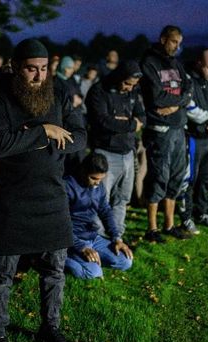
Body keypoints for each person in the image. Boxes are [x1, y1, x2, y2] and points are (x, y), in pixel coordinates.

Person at [0, 38, 86, 342]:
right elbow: (0, 144)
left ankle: (49, 327)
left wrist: (39, 137)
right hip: (12, 198)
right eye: (31, 69)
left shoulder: (60, 94)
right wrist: (44, 133)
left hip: (52, 195)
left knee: (54, 269)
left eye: (43, 69)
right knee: (2, 274)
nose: (39, 76)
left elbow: (80, 137)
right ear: (16, 67)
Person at [139, 25, 193, 242]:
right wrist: (179, 101)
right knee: (158, 176)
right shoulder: (149, 62)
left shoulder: (176, 64)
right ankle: (152, 229)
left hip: (178, 127)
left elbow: (189, 91)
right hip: (159, 130)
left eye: (179, 43)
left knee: (176, 176)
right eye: (173, 42)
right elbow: (156, 97)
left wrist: (177, 105)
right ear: (162, 39)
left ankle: (169, 225)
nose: (176, 47)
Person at [85, 60, 144, 238]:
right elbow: (103, 121)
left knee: (122, 199)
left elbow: (142, 116)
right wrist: (131, 124)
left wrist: (123, 122)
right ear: (119, 76)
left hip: (127, 152)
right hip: (105, 152)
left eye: (133, 85)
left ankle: (116, 236)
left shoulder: (132, 91)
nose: (129, 88)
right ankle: (97, 237)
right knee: (100, 200)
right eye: (127, 83)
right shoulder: (98, 91)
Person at [64, 152, 133, 279]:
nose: (97, 183)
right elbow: (60, 224)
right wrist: (81, 247)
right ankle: (61, 259)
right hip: (72, 240)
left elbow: (105, 211)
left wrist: (117, 238)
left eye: (101, 179)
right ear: (83, 171)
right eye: (94, 178)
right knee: (93, 273)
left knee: (126, 262)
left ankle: (91, 260)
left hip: (92, 237)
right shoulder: (68, 186)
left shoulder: (98, 186)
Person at [182, 49, 208, 233]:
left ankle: (202, 213)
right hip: (193, 139)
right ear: (199, 63)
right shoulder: (187, 81)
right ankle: (186, 218)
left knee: (205, 179)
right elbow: (188, 107)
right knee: (190, 180)